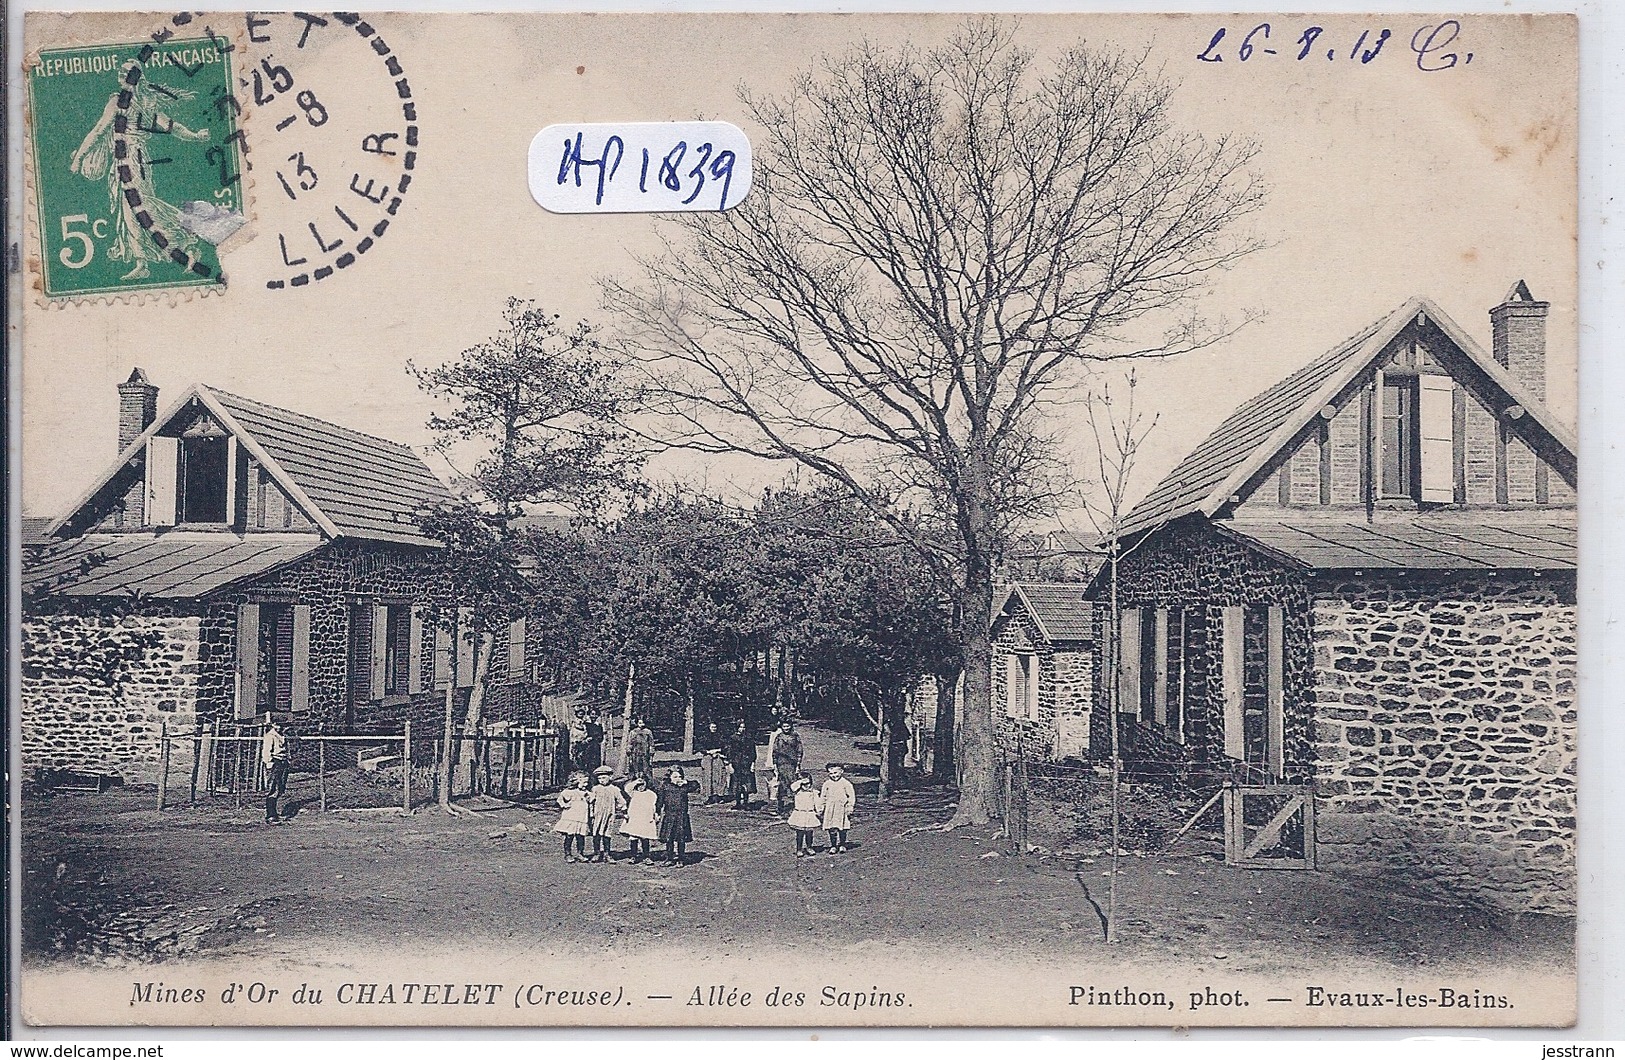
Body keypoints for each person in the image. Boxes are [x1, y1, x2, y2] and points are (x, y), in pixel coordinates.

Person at [655, 766, 698, 866]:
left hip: (682, 816)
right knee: (669, 839)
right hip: (669, 816)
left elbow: (696, 785)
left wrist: (686, 782)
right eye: (675, 777)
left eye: (679, 777)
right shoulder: (665, 787)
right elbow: (660, 801)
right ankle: (669, 858)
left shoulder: (684, 787)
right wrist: (657, 813)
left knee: (681, 838)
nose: (677, 779)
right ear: (669, 777)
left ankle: (681, 859)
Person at [587, 766, 626, 863]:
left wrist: (624, 811)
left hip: (609, 815)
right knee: (596, 833)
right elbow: (591, 802)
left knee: (607, 834)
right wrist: (591, 814)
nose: (601, 780)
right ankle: (596, 853)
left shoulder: (614, 789)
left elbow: (621, 801)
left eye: (604, 778)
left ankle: (607, 853)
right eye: (599, 778)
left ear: (610, 777)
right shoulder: (595, 789)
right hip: (597, 815)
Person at [553, 770, 592, 862]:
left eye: (587, 782)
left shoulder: (586, 793)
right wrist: (564, 805)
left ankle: (580, 853)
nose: (585, 784)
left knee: (581, 836)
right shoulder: (569, 792)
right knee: (570, 836)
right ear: (576, 781)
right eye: (583, 782)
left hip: (582, 817)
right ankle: (568, 854)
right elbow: (560, 800)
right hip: (571, 816)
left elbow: (591, 801)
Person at [620, 776, 660, 863]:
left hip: (645, 818)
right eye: (638, 785)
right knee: (633, 838)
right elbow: (627, 788)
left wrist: (655, 815)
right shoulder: (633, 793)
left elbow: (653, 806)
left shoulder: (651, 794)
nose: (640, 787)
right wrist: (635, 782)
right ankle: (633, 856)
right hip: (635, 818)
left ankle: (646, 856)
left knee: (645, 838)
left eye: (642, 784)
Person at [767, 719, 803, 814]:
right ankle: (779, 808)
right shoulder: (779, 737)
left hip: (791, 764)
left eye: (788, 726)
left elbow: (799, 750)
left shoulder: (795, 736)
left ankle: (795, 807)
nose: (786, 728)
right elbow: (774, 751)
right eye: (784, 726)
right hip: (781, 764)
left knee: (793, 785)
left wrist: (798, 765)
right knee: (780, 786)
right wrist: (774, 764)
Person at [820, 763, 857, 853]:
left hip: (841, 809)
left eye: (836, 773)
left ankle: (842, 844)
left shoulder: (846, 783)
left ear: (841, 771)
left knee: (842, 827)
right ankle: (833, 845)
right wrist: (821, 807)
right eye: (831, 773)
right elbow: (823, 796)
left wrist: (850, 806)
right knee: (832, 828)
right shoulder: (827, 784)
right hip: (830, 808)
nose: (834, 775)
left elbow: (851, 796)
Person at [260, 714, 289, 825]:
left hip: (283, 762)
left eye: (282, 725)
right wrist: (269, 764)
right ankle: (270, 815)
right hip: (275, 763)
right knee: (272, 789)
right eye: (278, 725)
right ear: (273, 724)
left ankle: (275, 813)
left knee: (281, 789)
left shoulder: (282, 735)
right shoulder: (270, 736)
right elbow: (266, 752)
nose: (280, 727)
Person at [786, 773, 823, 856]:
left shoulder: (814, 793)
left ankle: (809, 847)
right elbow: (793, 787)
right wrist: (800, 781)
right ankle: (799, 849)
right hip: (800, 814)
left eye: (808, 783)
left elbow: (818, 802)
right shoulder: (797, 792)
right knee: (800, 833)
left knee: (809, 833)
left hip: (810, 814)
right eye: (803, 784)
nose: (806, 786)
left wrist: (819, 810)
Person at [723, 721, 758, 810]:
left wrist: (752, 764)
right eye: (740, 727)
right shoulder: (732, 738)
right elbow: (729, 752)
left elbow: (752, 752)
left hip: (746, 763)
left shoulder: (749, 738)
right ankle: (738, 803)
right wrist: (730, 764)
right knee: (736, 784)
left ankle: (746, 802)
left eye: (743, 727)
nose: (742, 729)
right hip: (736, 763)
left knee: (746, 784)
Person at [698, 722, 728, 803]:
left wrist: (718, 751)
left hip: (718, 757)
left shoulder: (720, 736)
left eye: (715, 727)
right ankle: (708, 796)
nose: (714, 729)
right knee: (708, 776)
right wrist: (708, 752)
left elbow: (725, 746)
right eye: (712, 727)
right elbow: (700, 747)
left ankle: (719, 796)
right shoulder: (704, 737)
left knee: (719, 776)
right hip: (708, 757)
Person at [625, 717, 655, 782]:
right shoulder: (633, 732)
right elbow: (630, 743)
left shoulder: (648, 732)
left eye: (643, 723)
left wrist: (651, 753)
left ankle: (647, 781)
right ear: (637, 723)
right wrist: (629, 750)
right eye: (640, 723)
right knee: (635, 767)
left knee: (646, 768)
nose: (642, 724)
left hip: (645, 752)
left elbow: (651, 743)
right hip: (635, 753)